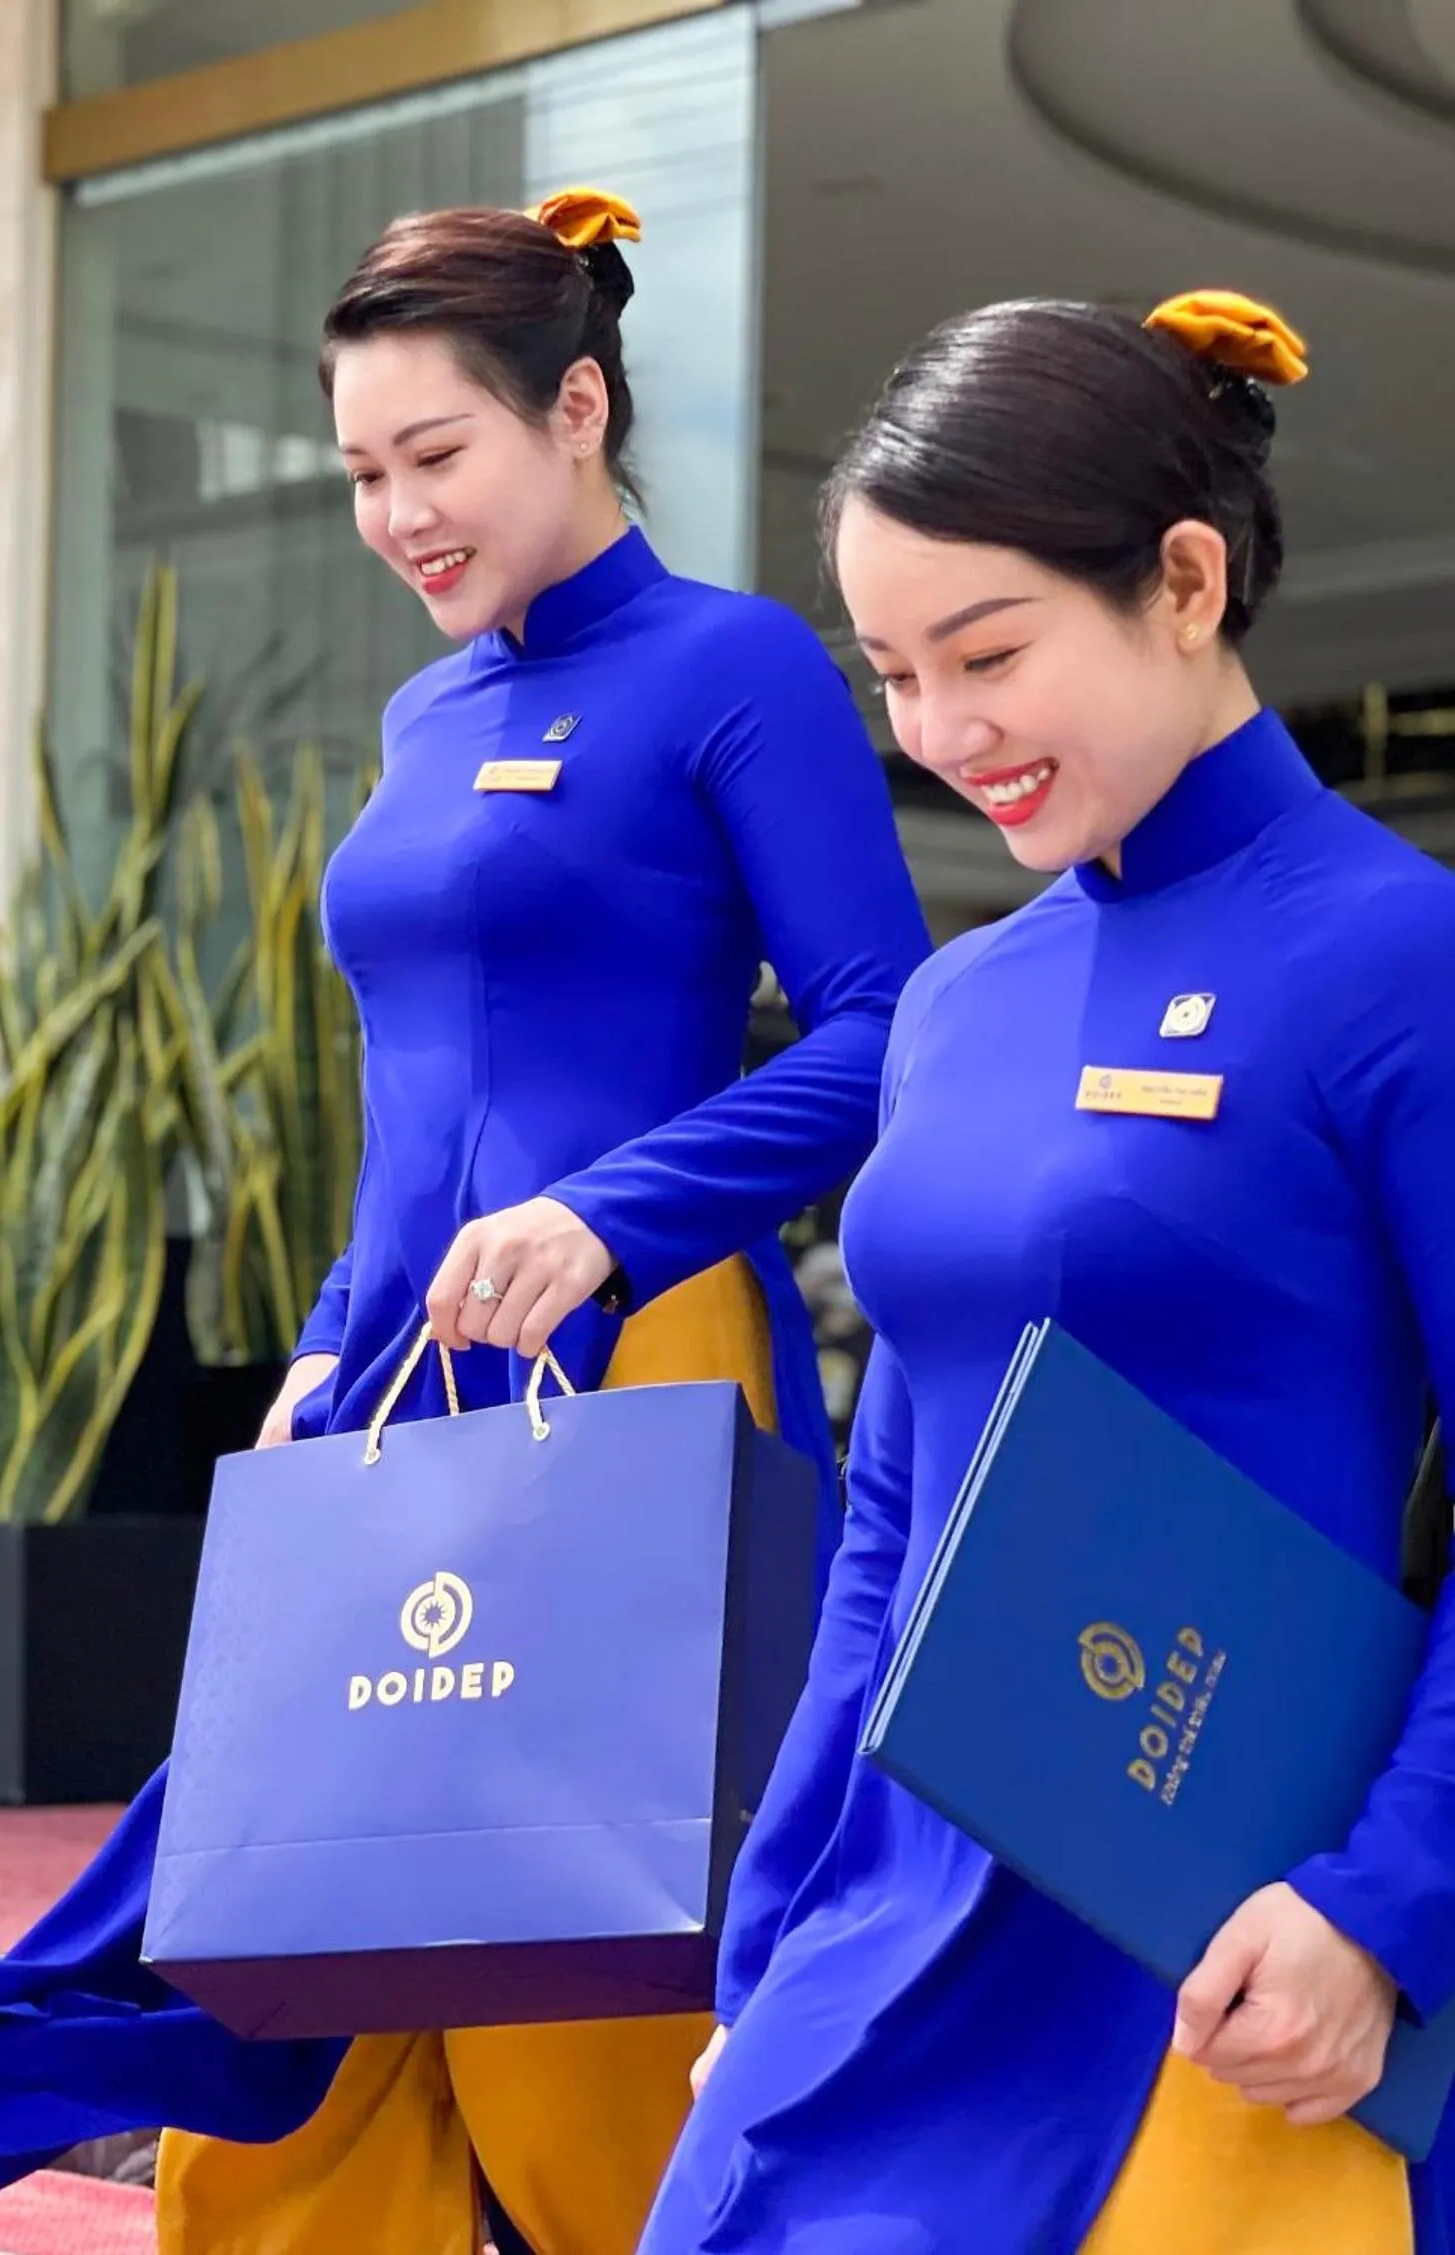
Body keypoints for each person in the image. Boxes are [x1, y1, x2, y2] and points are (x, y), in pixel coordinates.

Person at [0, 186, 929, 2255]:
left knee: (583, 2000)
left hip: (639, 1362)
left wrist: (616, 1216)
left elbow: (887, 1024)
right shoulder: (423, 717)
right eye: (362, 472)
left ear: (576, 408)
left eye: (432, 456)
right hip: (398, 1378)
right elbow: (415, 1104)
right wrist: (320, 1339)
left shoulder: (733, 669)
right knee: (298, 1974)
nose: (394, 516)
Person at [641, 290, 1455, 2255]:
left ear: (1182, 581)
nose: (940, 735)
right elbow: (893, 1516)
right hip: (886, 1925)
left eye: (987, 654)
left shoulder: (1400, 959)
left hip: (1233, 1961)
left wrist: (1385, 1905)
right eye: (894, 674)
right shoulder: (953, 1004)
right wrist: (771, 1923)